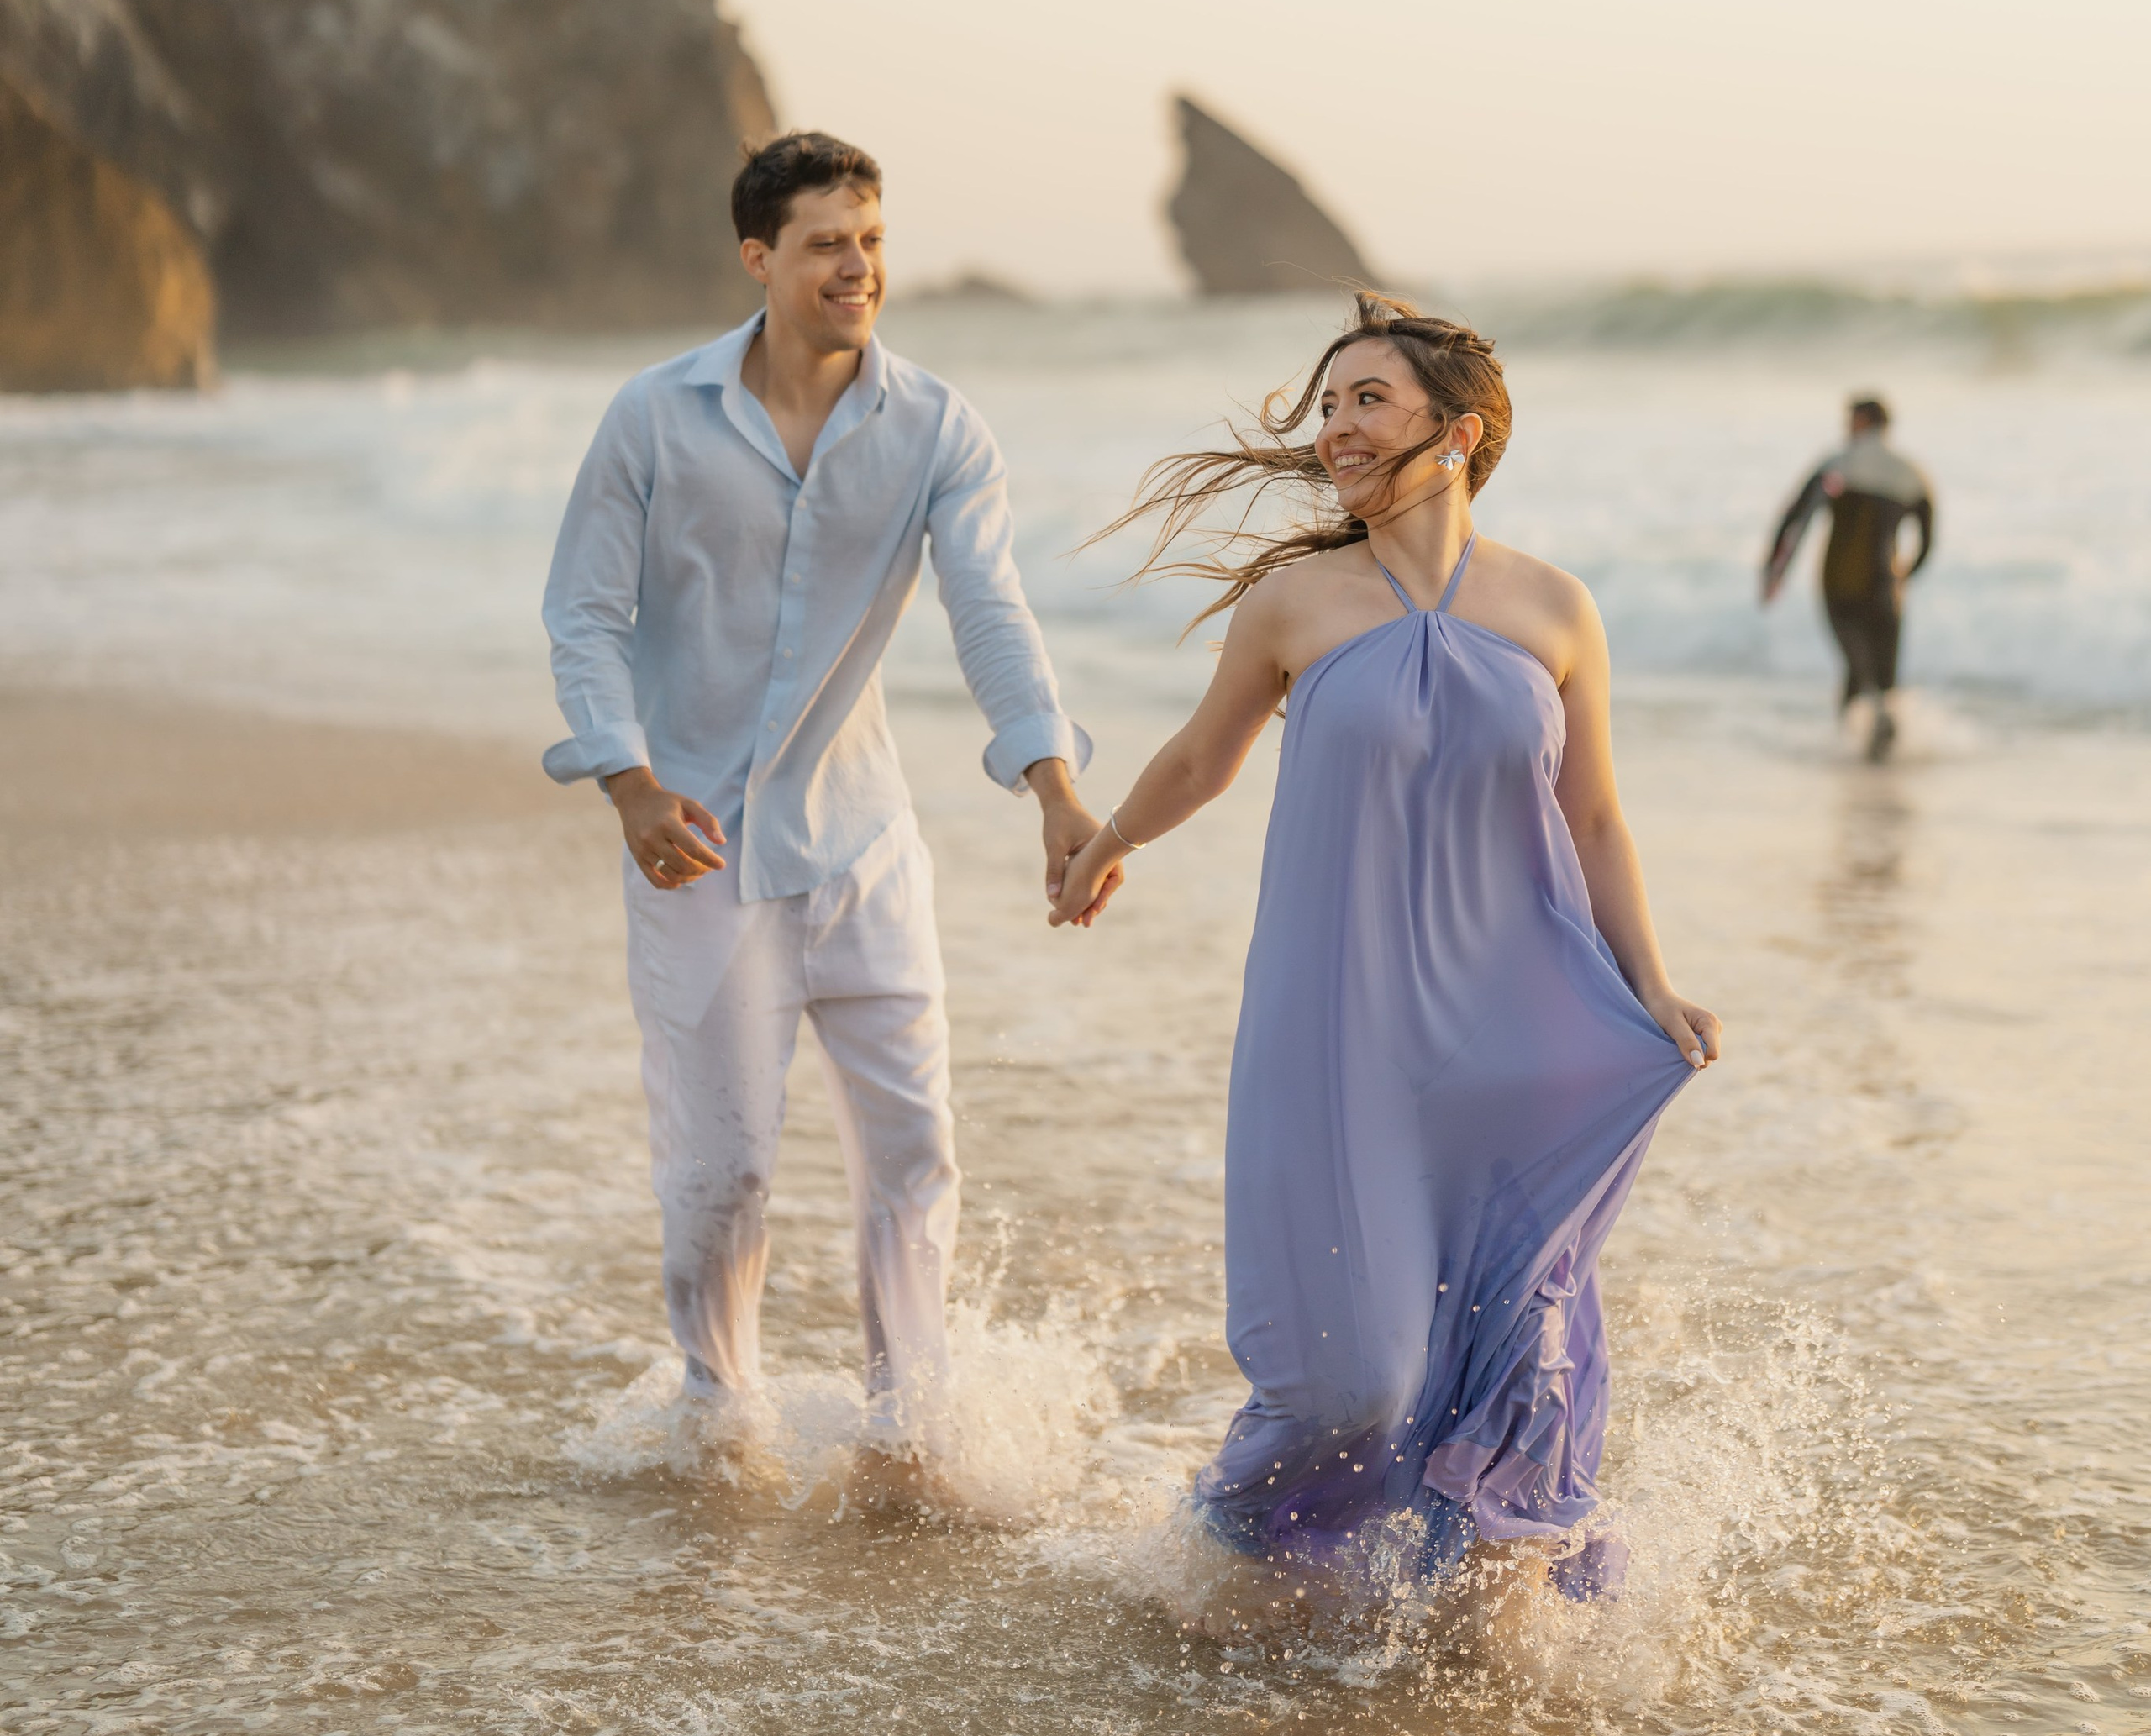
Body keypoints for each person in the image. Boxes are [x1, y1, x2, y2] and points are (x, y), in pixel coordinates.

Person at [1049, 295, 1719, 1613]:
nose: (1336, 427)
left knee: (1512, 1350)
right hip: (1339, 1027)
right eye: (1331, 402)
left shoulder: (1555, 607)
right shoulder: (1298, 602)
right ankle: (1214, 1552)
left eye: (1368, 400)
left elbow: (1593, 811)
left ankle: (1459, 1642)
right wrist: (1109, 835)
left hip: (1512, 1025)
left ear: (1457, 433)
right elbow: (1202, 755)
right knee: (1359, 1379)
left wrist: (1648, 978)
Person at [541, 129, 1097, 1450]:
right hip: (697, 843)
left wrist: (1054, 784)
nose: (860, 267)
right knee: (722, 1172)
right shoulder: (652, 417)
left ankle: (913, 1428)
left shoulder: (939, 429)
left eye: (874, 239)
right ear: (759, 257)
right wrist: (626, 782)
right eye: (828, 243)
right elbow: (583, 614)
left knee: (915, 1154)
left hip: (864, 847)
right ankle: (716, 1412)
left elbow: (991, 612)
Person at [1761, 395, 1935, 757]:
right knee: (1886, 678)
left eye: (1850, 420)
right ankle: (1882, 751)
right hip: (1888, 587)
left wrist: (1774, 572)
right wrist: (1907, 573)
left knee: (1856, 667)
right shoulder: (1910, 473)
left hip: (1839, 583)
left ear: (1863, 422)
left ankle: (1852, 745)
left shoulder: (1838, 465)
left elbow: (1797, 518)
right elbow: (1928, 536)